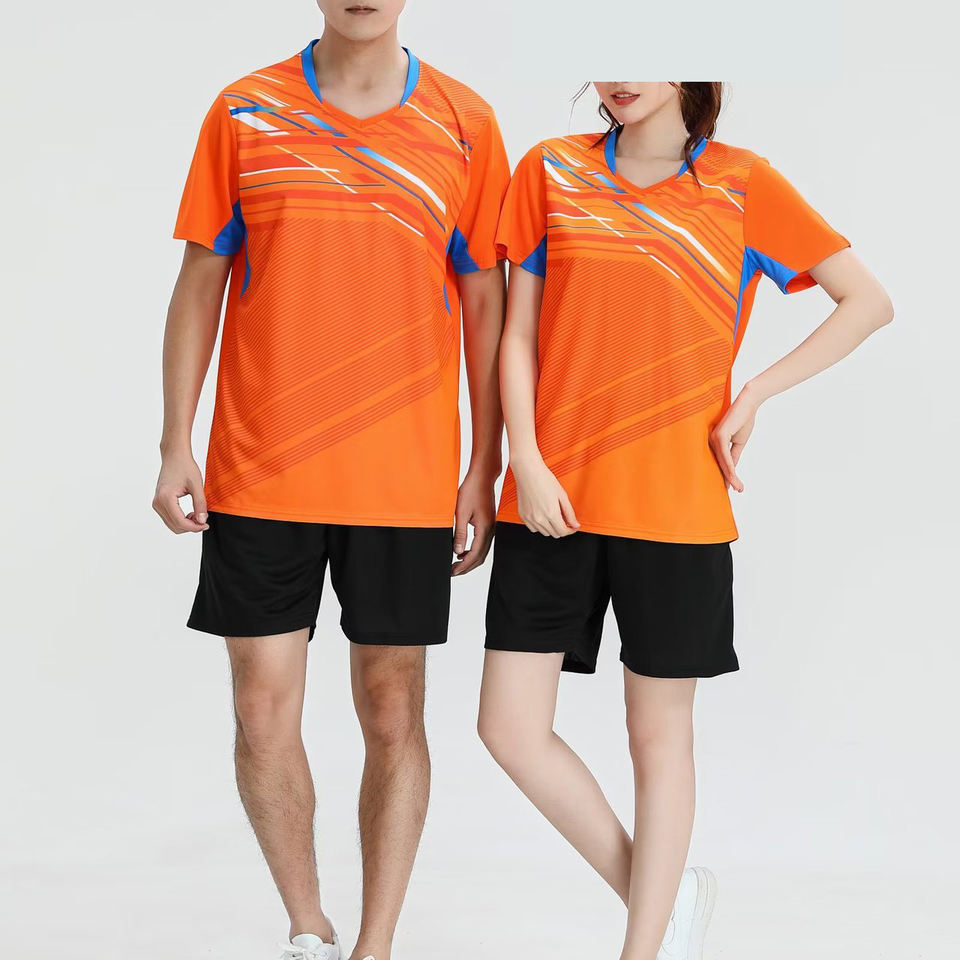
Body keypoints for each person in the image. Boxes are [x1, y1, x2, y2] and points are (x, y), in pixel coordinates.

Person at [478, 82, 893, 960]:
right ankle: (665, 900)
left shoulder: (743, 182)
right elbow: (517, 334)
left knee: (658, 738)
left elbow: (866, 301)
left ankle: (642, 951)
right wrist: (529, 462)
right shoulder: (549, 170)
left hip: (677, 508)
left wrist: (756, 392)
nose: (622, 75)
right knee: (509, 728)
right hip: (550, 500)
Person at [153, 2, 509, 958]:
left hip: (403, 475)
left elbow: (485, 299)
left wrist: (485, 463)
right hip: (259, 468)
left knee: (393, 708)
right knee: (260, 706)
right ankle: (308, 928)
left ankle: (375, 944)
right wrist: (175, 440)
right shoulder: (245, 110)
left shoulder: (466, 123)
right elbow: (200, 279)